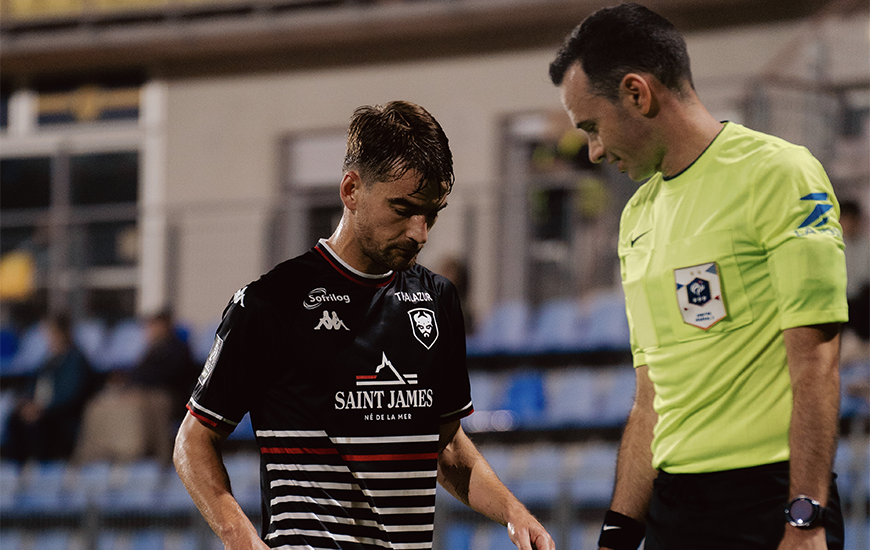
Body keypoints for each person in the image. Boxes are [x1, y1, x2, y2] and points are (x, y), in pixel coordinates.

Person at [173, 101, 554, 550]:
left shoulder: (438, 300)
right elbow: (193, 440)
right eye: (403, 208)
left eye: (431, 213)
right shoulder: (271, 304)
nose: (420, 232)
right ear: (351, 190)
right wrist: (241, 538)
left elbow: (447, 447)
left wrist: (514, 512)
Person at [549, 4, 848, 550]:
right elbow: (650, 396)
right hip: (674, 510)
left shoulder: (780, 173)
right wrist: (617, 534)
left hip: (770, 501)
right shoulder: (636, 216)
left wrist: (804, 521)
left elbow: (816, 361)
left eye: (592, 127)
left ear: (638, 93)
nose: (592, 151)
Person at [1, 313, 95, 463]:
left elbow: (69, 396)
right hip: (42, 412)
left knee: (36, 425)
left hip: (61, 419)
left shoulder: (75, 360)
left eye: (50, 333)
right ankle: (15, 470)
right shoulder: (48, 360)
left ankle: (42, 468)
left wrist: (41, 409)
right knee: (15, 420)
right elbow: (32, 386)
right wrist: (25, 404)